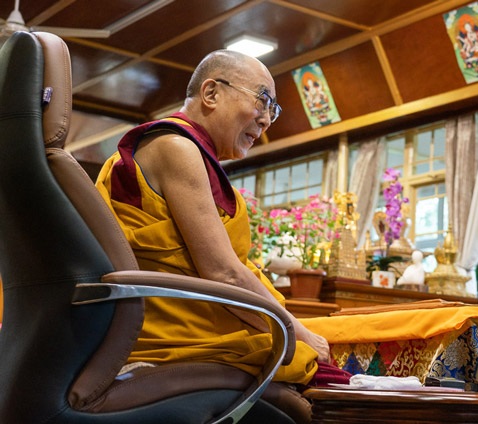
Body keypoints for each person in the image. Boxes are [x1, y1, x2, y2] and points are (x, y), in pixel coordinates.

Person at [95, 50, 331, 389]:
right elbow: (223, 273)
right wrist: (300, 333)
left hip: (196, 322)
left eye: (272, 110)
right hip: (176, 338)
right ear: (211, 93)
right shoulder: (175, 147)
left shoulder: (194, 155)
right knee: (323, 377)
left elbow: (232, 267)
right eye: (262, 100)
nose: (265, 120)